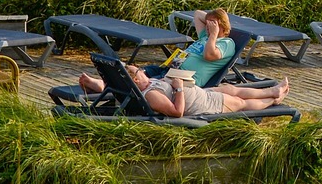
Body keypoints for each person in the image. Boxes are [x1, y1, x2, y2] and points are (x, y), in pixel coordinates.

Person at [76, 7, 289, 119]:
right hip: (171, 72)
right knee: (133, 70)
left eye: (211, 26)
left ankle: (273, 95)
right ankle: (273, 93)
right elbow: (197, 15)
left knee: (235, 94)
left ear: (221, 29)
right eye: (208, 25)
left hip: (185, 81)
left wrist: (215, 33)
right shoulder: (205, 37)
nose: (206, 28)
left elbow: (209, 57)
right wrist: (210, 24)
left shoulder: (226, 43)